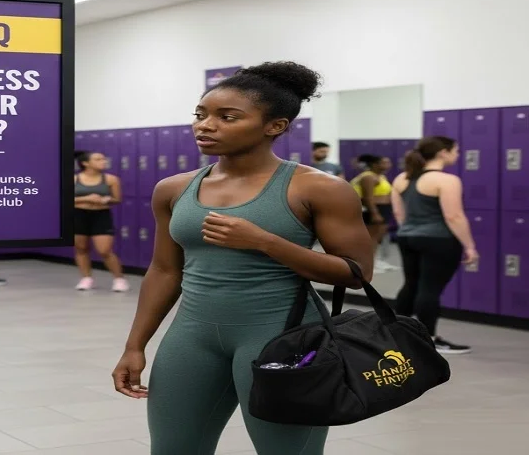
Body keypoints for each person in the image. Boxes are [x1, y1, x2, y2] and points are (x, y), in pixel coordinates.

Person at [111, 62, 374, 455]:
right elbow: (165, 270)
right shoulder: (173, 189)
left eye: (226, 117)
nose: (205, 125)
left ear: (276, 126)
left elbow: (355, 275)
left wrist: (266, 241)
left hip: (283, 337)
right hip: (193, 337)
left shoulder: (319, 188)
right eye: (200, 115)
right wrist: (135, 344)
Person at [391, 136, 477, 355]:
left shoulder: (403, 177)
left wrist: (411, 231)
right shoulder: (447, 181)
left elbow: (399, 213)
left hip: (407, 237)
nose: (458, 155)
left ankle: (397, 335)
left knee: (410, 285)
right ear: (443, 153)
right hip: (438, 240)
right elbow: (454, 216)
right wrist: (469, 246)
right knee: (429, 289)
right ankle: (428, 339)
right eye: (456, 150)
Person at [74, 151, 129, 292]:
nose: (103, 161)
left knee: (104, 250)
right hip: (77, 215)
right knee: (81, 249)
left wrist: (106, 199)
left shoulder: (111, 179)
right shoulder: (74, 179)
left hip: (101, 215)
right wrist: (87, 198)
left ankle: (119, 279)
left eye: (104, 158)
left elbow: (117, 199)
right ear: (86, 163)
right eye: (98, 159)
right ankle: (86, 278)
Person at [350, 154, 394, 249]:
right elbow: (367, 197)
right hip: (375, 209)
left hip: (383, 209)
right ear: (374, 165)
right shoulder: (368, 177)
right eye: (384, 163)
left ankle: (371, 261)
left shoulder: (380, 176)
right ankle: (368, 262)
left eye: (388, 162)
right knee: (371, 239)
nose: (388, 165)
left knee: (376, 239)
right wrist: (375, 213)